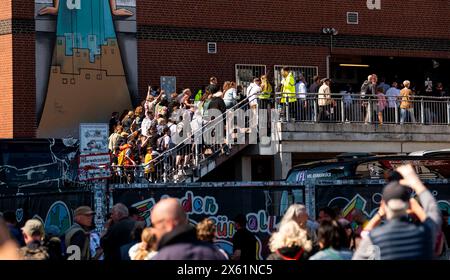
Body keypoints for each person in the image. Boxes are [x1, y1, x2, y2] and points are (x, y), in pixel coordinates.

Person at [353, 165, 442, 260]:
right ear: (409, 205)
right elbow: (433, 212)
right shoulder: (424, 233)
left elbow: (364, 234)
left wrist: (379, 214)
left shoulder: (374, 237)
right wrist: (416, 183)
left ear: (384, 205)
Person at [151, 198, 226, 260]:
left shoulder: (161, 257)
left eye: (155, 224)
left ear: (169, 224)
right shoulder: (217, 255)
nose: (153, 230)